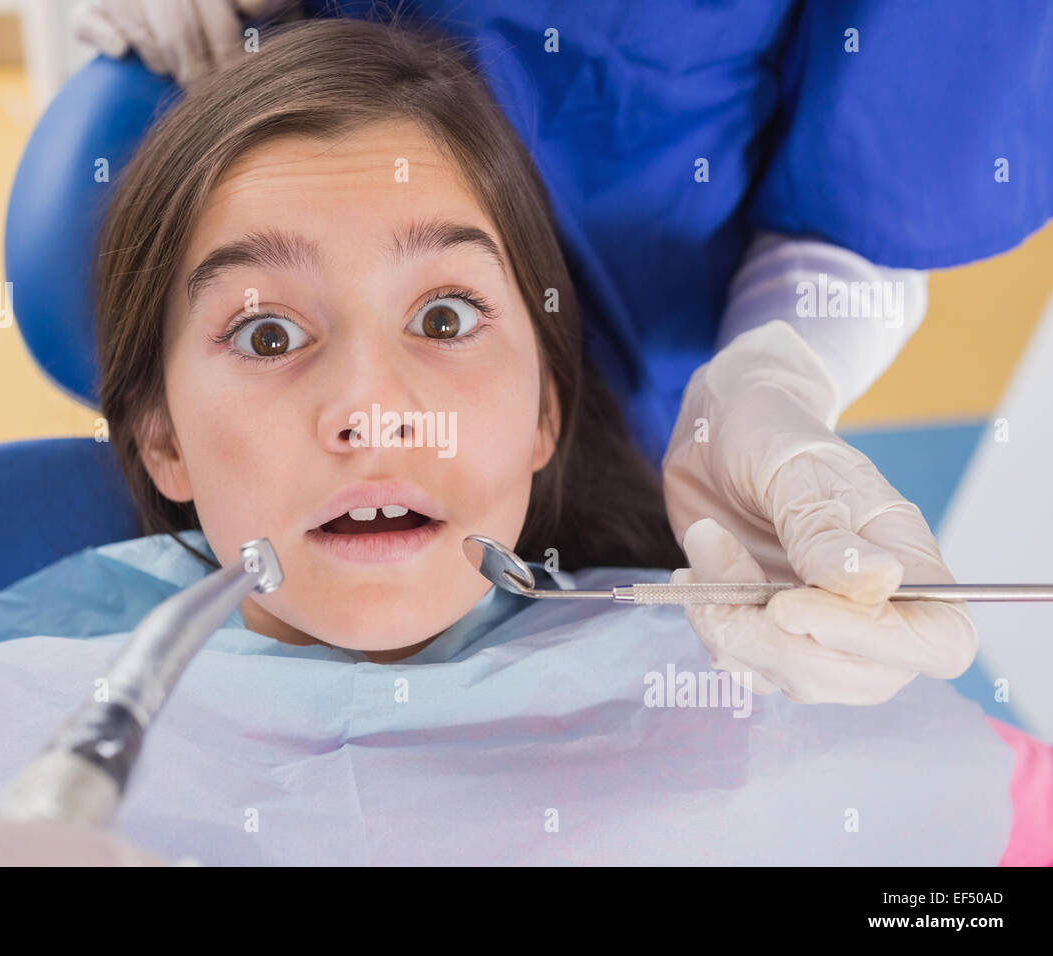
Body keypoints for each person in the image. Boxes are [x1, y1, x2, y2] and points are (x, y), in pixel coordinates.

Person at [66, 0, 1053, 705]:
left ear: (548, 401)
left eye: (446, 319)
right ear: (157, 431)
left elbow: (891, 169)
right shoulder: (8, 710)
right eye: (268, 332)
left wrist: (763, 390)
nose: (373, 406)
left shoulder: (693, 741)